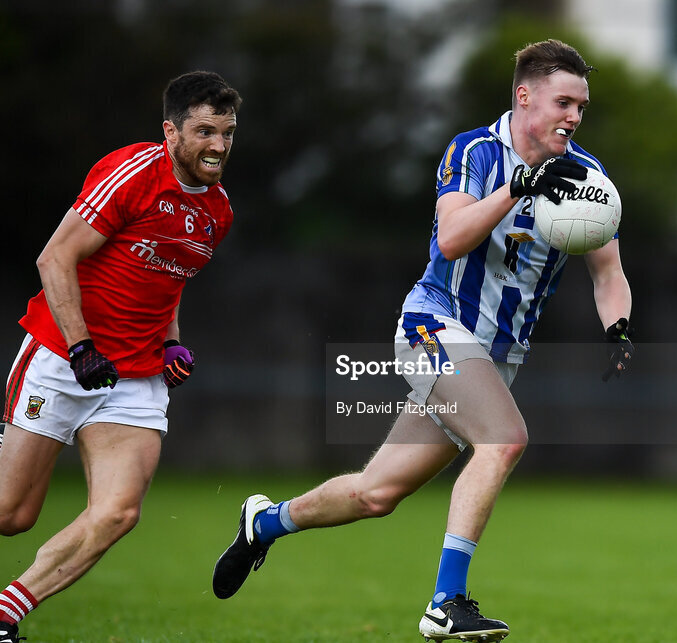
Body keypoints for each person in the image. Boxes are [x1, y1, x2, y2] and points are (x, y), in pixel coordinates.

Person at [212, 39, 633, 641]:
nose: (573, 117)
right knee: (505, 440)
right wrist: (523, 187)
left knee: (375, 493)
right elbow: (454, 237)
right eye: (563, 102)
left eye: (581, 107)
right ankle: (447, 602)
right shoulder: (474, 151)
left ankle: (265, 524)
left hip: (494, 357)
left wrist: (617, 328)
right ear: (524, 96)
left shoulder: (588, 178)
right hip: (433, 326)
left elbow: (608, 270)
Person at [0, 71, 241, 643]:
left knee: (119, 513)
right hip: (61, 355)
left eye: (227, 132)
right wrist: (81, 348)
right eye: (205, 131)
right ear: (171, 132)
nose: (218, 146)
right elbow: (55, 259)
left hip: (136, 377)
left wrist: (171, 342)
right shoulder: (131, 174)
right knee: (9, 518)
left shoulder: (217, 212)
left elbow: (164, 280)